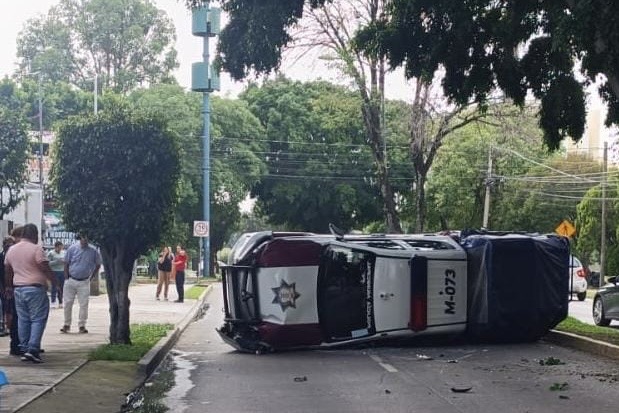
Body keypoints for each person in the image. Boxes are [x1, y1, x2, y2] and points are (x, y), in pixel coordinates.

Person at [3, 223, 57, 363]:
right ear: (34, 235)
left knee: (23, 319)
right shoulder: (36, 249)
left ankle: (24, 347)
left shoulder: (12, 250)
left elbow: (8, 270)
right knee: (38, 319)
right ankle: (33, 349)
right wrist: (55, 282)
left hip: (18, 288)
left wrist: (9, 286)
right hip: (35, 288)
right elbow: (43, 266)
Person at [61, 234, 101, 334]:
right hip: (71, 279)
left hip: (84, 281)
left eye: (87, 239)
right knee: (67, 303)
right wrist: (66, 277)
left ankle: (82, 325)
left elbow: (98, 264)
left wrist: (92, 277)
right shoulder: (72, 248)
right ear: (80, 239)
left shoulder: (93, 250)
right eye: (83, 238)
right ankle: (67, 324)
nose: (84, 241)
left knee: (84, 304)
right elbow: (66, 262)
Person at [0, 236, 15, 338]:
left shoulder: (16, 256)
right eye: (7, 244)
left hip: (13, 285)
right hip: (2, 285)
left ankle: (10, 326)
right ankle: (2, 326)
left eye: (11, 244)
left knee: (10, 307)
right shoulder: (0, 256)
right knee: (3, 306)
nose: (9, 246)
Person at [47, 241, 65, 309]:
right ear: (56, 247)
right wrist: (57, 261)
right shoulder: (51, 253)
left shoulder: (63, 253)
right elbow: (48, 263)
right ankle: (53, 302)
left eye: (61, 248)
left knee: (61, 287)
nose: (60, 249)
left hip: (62, 271)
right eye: (59, 248)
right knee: (54, 287)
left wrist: (64, 261)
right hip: (54, 271)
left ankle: (60, 302)